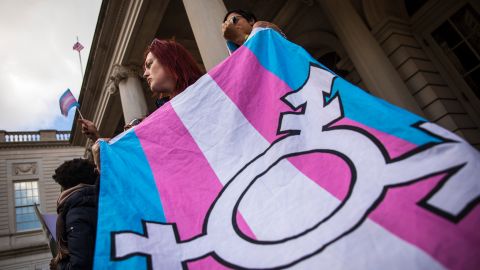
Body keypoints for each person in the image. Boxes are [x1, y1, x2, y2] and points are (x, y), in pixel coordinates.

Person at [79, 39, 204, 169]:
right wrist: (97, 139)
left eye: (149, 65)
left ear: (171, 60)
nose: (144, 74)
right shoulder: (158, 117)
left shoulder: (211, 91)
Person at [50, 158, 99, 270]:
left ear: (66, 187)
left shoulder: (78, 209)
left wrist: (58, 266)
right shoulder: (94, 201)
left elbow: (80, 266)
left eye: (61, 186)